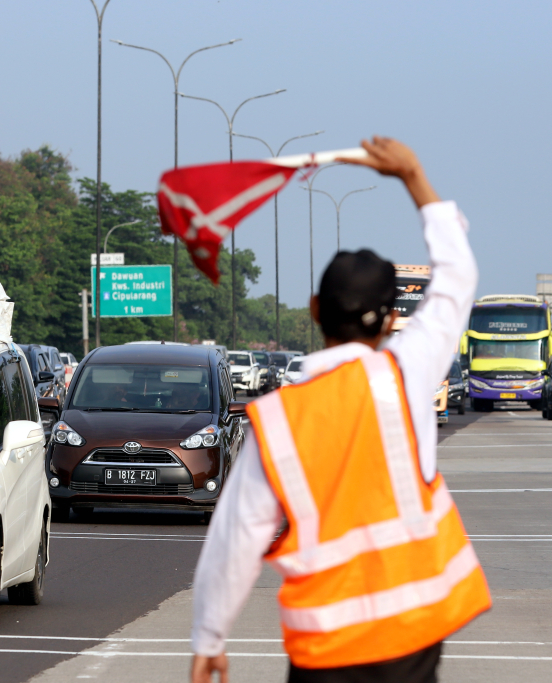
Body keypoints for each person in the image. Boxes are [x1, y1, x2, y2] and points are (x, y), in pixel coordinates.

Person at [189, 137, 491, 683]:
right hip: (414, 632)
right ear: (391, 320)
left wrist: (210, 638)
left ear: (314, 311)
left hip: (325, 649)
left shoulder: (277, 420)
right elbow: (458, 276)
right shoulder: (406, 374)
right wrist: (413, 175)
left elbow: (235, 539)